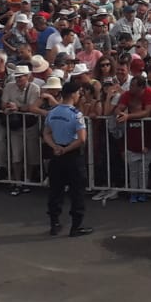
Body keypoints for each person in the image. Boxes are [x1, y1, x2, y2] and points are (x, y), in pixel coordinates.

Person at [43, 83, 92, 237]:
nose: (79, 96)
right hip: (72, 155)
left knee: (55, 190)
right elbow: (82, 139)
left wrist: (55, 147)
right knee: (77, 191)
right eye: (78, 93)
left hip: (57, 154)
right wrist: (66, 149)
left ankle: (54, 224)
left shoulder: (52, 112)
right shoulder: (76, 114)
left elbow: (46, 133)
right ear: (73, 94)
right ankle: (76, 226)